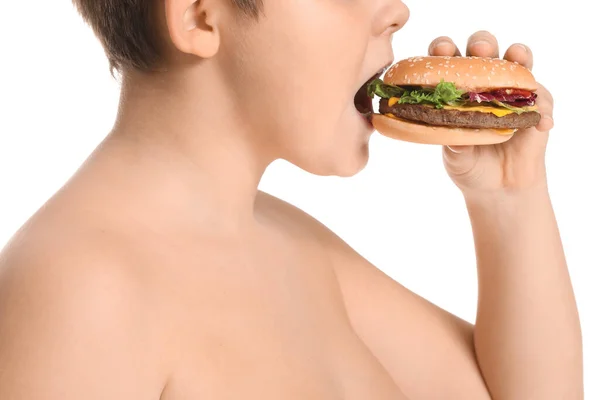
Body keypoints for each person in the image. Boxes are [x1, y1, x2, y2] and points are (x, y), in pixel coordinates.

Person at [0, 0, 583, 398]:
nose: (397, 11)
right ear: (201, 17)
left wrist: (510, 199)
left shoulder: (286, 242)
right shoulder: (78, 288)